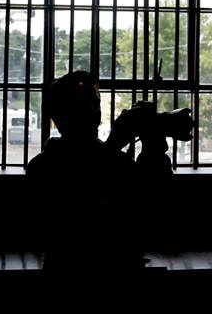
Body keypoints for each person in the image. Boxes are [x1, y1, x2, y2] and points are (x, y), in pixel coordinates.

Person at [25, 71, 142, 271]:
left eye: (94, 103)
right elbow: (81, 215)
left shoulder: (40, 165)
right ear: (58, 115)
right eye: (80, 104)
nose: (90, 110)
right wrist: (113, 146)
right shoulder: (43, 169)